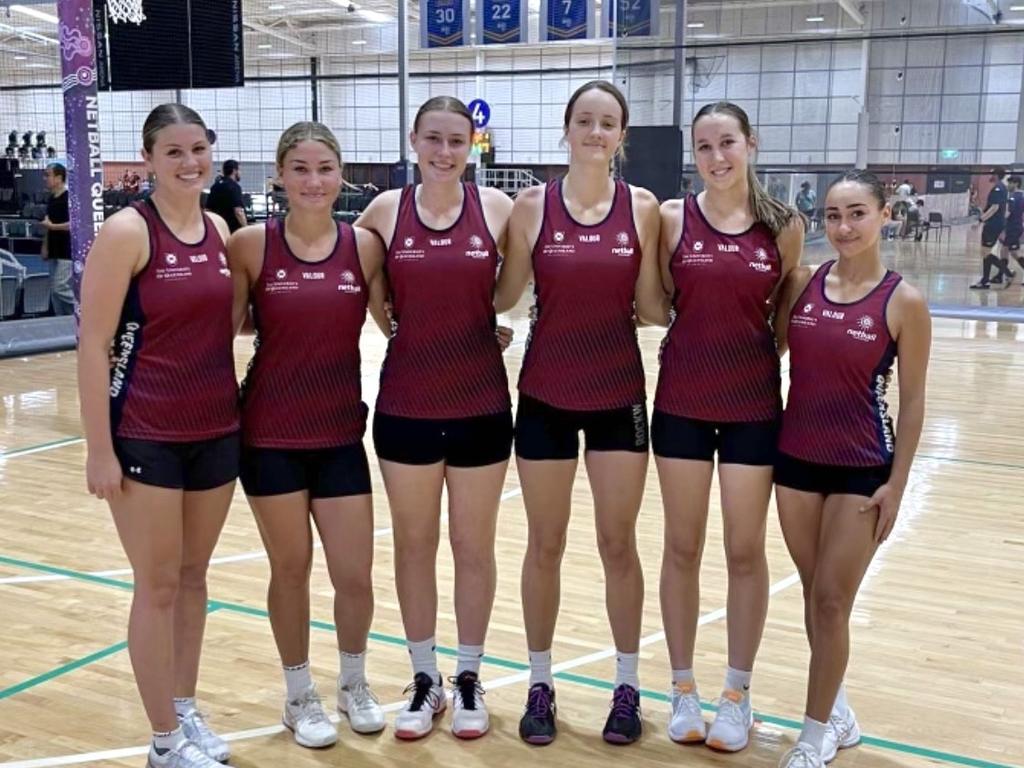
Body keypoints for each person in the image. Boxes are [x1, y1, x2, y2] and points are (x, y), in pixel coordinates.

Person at [495, 80, 662, 746]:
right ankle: (541, 683)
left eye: (608, 123)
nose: (595, 132)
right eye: (585, 121)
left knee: (617, 545)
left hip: (620, 395)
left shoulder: (643, 208)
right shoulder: (530, 207)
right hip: (545, 397)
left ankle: (627, 686)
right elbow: (502, 296)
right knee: (546, 544)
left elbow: (652, 308)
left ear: (622, 136)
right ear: (566, 130)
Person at [77, 104, 239, 768]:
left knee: (195, 579)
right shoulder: (126, 232)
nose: (189, 162)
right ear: (147, 159)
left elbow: (225, 324)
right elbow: (92, 343)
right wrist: (98, 448)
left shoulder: (222, 228)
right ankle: (163, 742)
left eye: (198, 148)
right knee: (160, 584)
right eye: (173, 151)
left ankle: (185, 708)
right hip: (145, 433)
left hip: (216, 429)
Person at [641, 101, 803, 753]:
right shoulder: (673, 219)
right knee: (682, 547)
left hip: (752, 409)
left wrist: (743, 355)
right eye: (704, 147)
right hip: (680, 402)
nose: (716, 157)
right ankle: (683, 689)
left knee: (743, 551)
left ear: (750, 144)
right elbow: (653, 302)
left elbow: (786, 323)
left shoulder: (783, 226)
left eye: (727, 142)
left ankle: (736, 693)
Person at [355, 95, 514, 741]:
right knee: (415, 546)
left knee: (473, 548)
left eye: (457, 141)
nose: (445, 152)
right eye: (434, 140)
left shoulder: (500, 210)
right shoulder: (384, 212)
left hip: (481, 404)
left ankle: (470, 673)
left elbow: (517, 285)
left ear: (472, 144)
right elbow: (366, 285)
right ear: (414, 140)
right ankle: (426, 678)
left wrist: (494, 325)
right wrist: (392, 325)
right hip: (407, 407)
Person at [229, 122, 386, 749]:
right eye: (300, 168)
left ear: (340, 174)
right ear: (279, 176)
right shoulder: (249, 246)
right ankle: (299, 694)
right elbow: (219, 331)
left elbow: (402, 319)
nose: (313, 180)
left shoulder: (364, 247)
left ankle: (353, 682)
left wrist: (486, 331)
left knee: (355, 574)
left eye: (324, 168)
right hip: (268, 434)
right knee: (290, 568)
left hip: (340, 433)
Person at [773, 169, 930, 768]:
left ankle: (813, 735)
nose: (844, 226)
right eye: (834, 216)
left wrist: (899, 482)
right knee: (816, 596)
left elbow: (912, 401)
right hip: (793, 462)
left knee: (833, 601)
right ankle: (837, 708)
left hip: (863, 466)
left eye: (857, 213)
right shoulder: (805, 283)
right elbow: (766, 348)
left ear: (884, 215)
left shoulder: (904, 301)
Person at [40, 162, 74, 315]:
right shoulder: (52, 199)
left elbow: (73, 224)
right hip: (54, 249)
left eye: (48, 175)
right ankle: (63, 322)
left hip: (66, 250)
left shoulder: (69, 198)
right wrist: (45, 246)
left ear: (59, 178)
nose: (44, 178)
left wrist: (53, 227)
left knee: (59, 287)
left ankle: (83, 309)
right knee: (54, 293)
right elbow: (48, 224)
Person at [970, 168, 1008, 290]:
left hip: (993, 224)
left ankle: (1008, 273)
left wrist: (981, 220)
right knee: (985, 252)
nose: (989, 175)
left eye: (991, 173)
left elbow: (995, 208)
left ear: (996, 175)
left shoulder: (998, 189)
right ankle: (985, 280)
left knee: (985, 252)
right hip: (995, 223)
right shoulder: (1001, 187)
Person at [206, 159, 247, 232]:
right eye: (239, 170)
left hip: (218, 228)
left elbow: (208, 209)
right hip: (233, 230)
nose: (240, 173)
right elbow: (238, 211)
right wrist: (246, 228)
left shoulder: (215, 186)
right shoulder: (234, 187)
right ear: (234, 171)